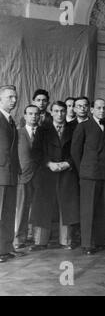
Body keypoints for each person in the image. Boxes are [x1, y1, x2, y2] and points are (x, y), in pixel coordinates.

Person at [30, 101, 80, 251]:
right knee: (44, 206)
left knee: (67, 207)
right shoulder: (42, 130)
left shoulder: (74, 129)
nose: (60, 114)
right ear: (51, 112)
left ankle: (66, 240)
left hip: (67, 173)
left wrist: (67, 163)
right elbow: (36, 152)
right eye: (56, 111)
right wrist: (48, 163)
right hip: (47, 174)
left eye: (63, 111)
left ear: (67, 112)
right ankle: (40, 242)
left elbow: (77, 151)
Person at [71, 98, 105, 255]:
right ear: (91, 110)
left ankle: (102, 241)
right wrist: (83, 171)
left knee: (104, 209)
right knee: (88, 210)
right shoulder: (83, 126)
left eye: (104, 108)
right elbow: (75, 152)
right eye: (98, 108)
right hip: (89, 175)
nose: (102, 111)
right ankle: (87, 244)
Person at [14, 105, 40, 249]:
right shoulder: (18, 133)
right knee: (22, 209)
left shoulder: (43, 133)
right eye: (30, 114)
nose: (33, 116)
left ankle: (35, 237)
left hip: (40, 177)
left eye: (36, 114)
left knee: (37, 208)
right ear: (25, 115)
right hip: (23, 176)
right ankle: (18, 239)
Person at [0, 85, 20, 263]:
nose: (14, 100)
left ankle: (5, 248)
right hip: (0, 173)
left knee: (7, 214)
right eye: (10, 97)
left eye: (15, 97)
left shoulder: (10, 120)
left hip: (11, 174)